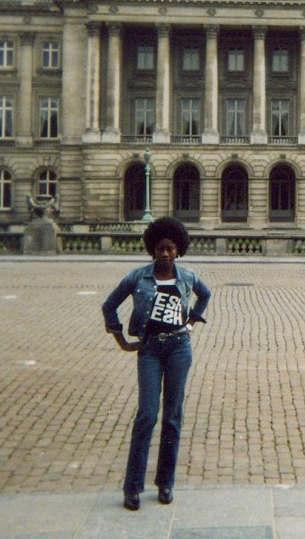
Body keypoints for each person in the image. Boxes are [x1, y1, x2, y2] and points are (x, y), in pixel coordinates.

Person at [102, 217, 211, 510]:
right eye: (160, 248)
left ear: (178, 250)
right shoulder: (137, 277)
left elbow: (206, 295)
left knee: (172, 417)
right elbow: (109, 305)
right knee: (147, 415)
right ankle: (133, 487)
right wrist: (122, 340)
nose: (164, 253)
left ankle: (165, 483)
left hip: (179, 348)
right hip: (149, 349)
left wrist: (191, 323)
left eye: (170, 248)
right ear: (153, 249)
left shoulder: (187, 276)